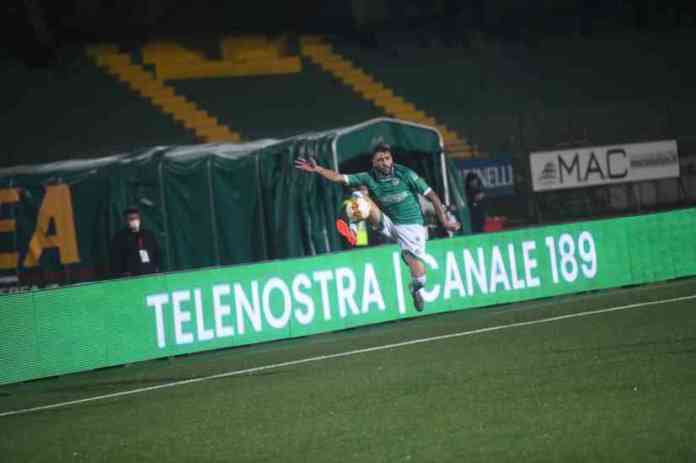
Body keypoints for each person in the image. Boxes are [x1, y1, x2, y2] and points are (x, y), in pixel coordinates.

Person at [295, 143, 460, 311]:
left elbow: (432, 196)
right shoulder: (368, 177)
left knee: (421, 279)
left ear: (392, 159)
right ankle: (354, 228)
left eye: (387, 158)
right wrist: (318, 169)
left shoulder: (406, 174)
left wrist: (445, 221)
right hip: (389, 223)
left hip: (412, 228)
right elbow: (338, 177)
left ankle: (414, 288)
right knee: (359, 197)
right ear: (374, 163)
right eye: (380, 160)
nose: (385, 162)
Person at [110, 207, 161, 278]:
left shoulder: (148, 234)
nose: (134, 220)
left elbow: (156, 252)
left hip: (150, 271)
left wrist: (157, 267)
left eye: (136, 218)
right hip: (131, 274)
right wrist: (124, 272)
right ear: (125, 221)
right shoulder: (120, 237)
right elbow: (116, 258)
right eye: (131, 219)